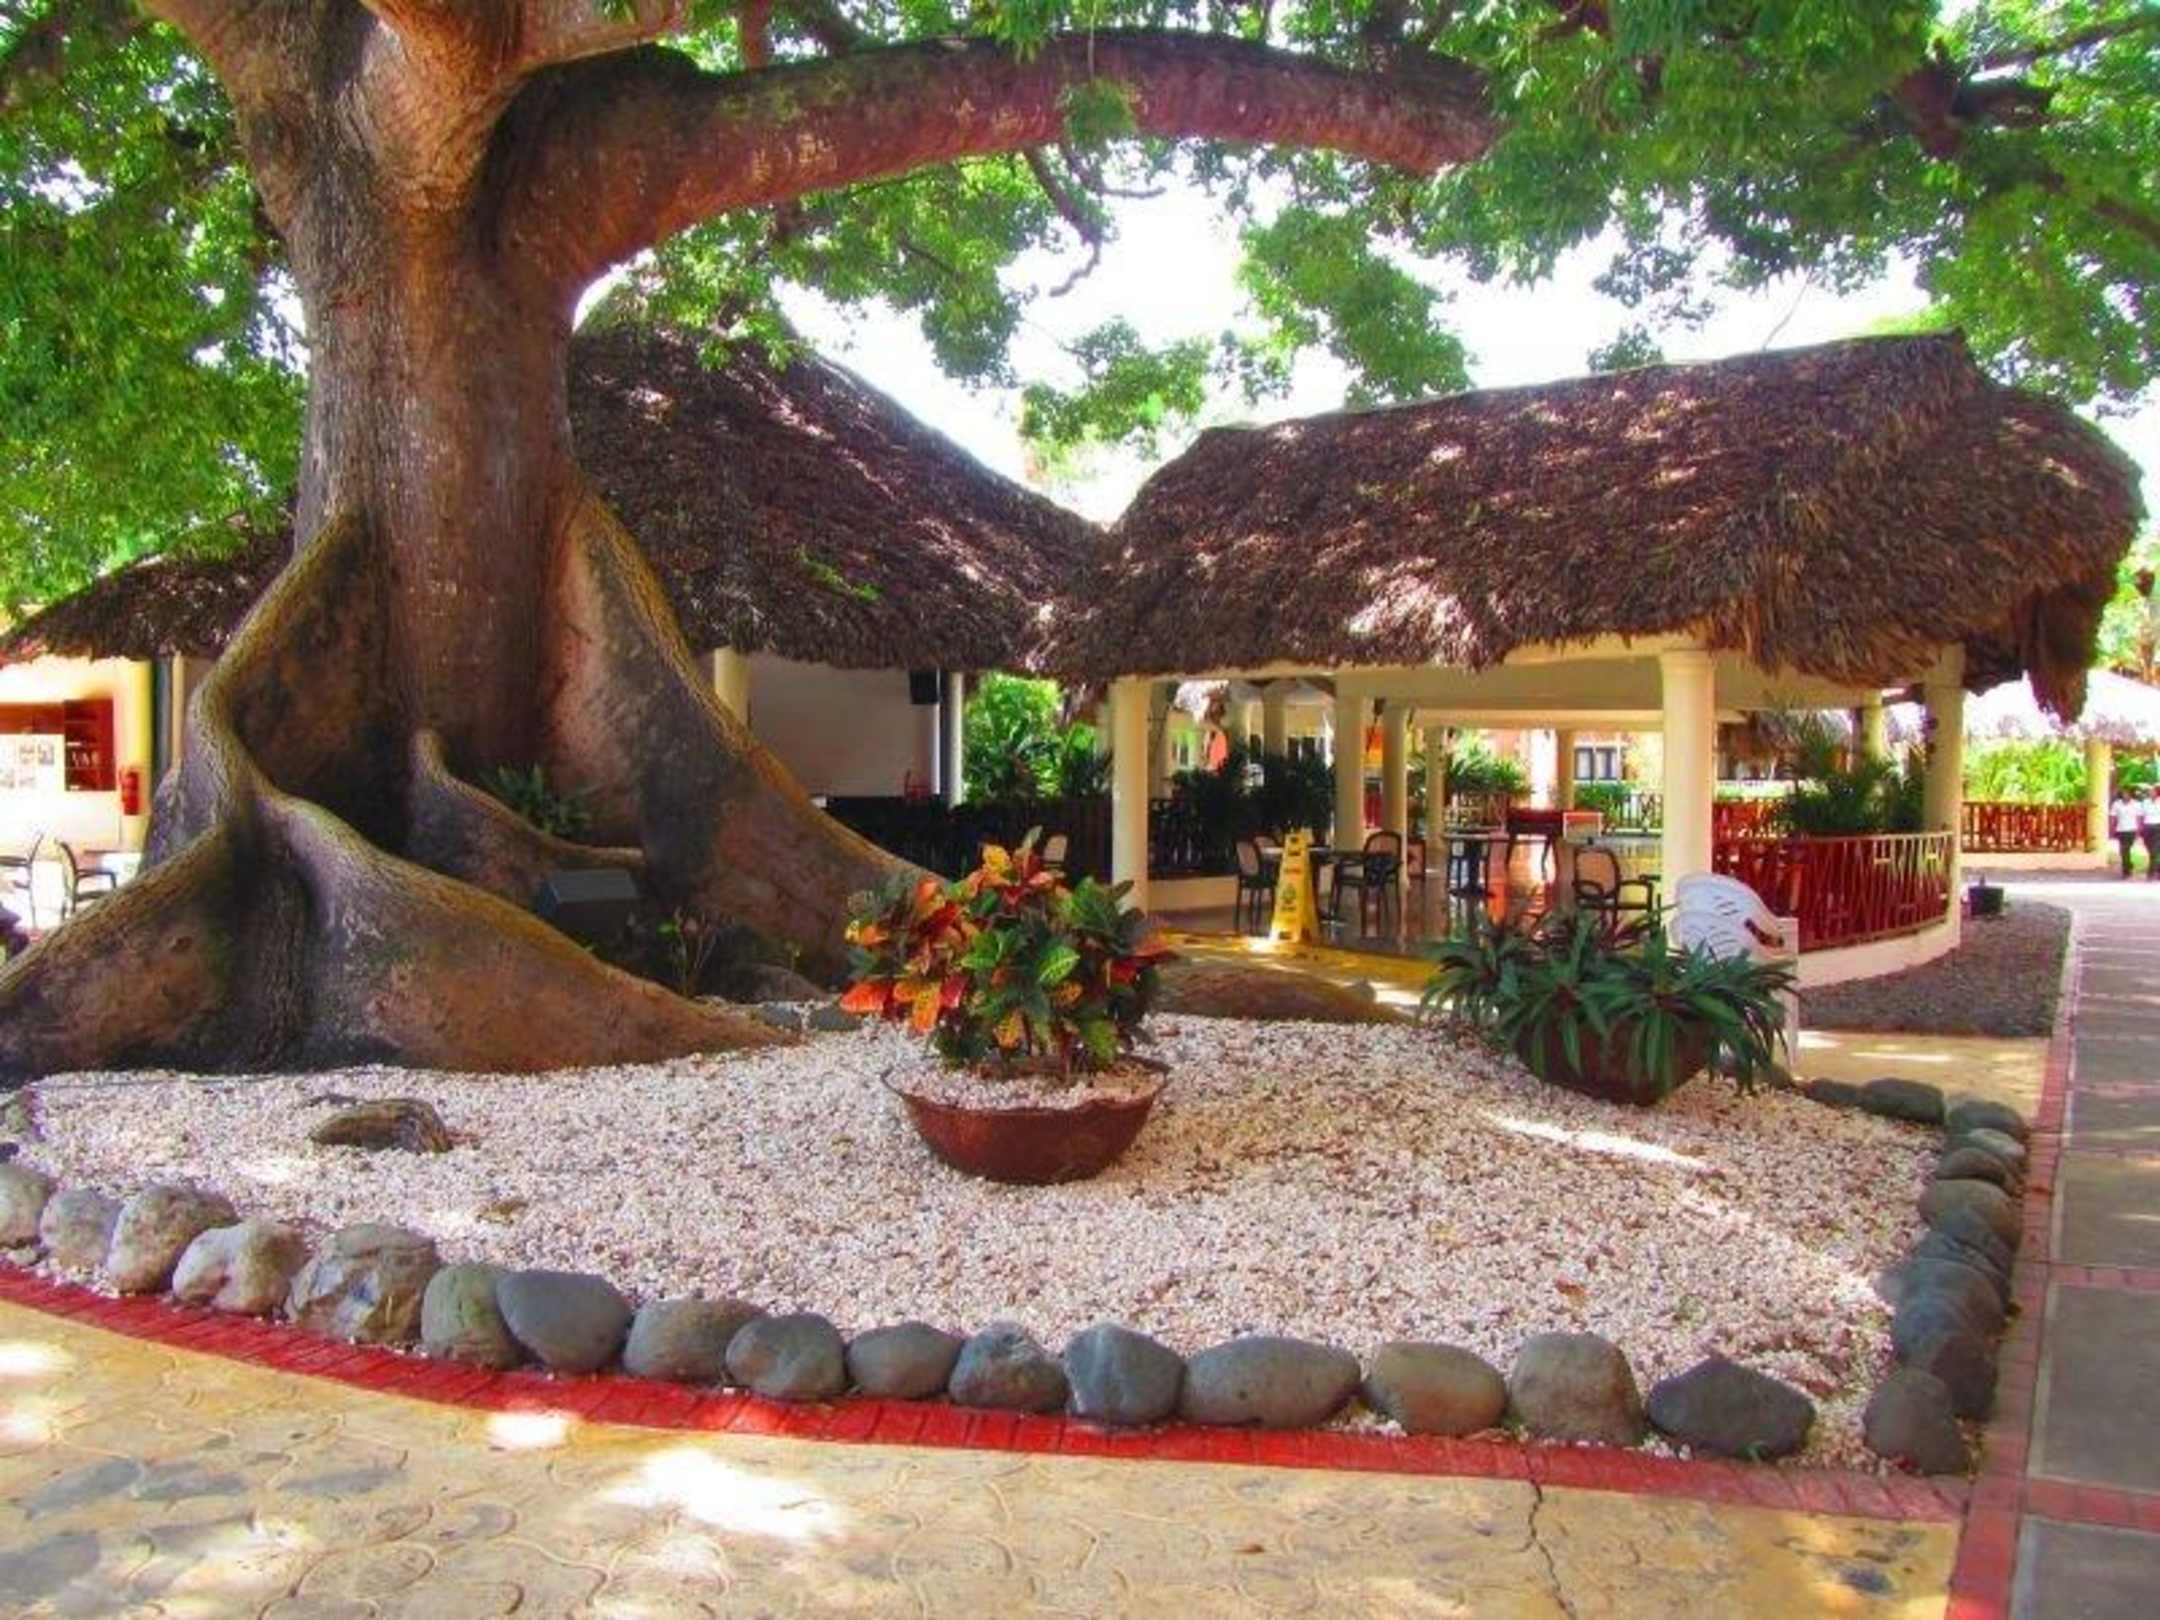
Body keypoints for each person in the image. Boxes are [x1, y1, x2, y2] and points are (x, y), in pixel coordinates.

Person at [2112, 783, 2143, 877]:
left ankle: (2127, 869)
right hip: (2121, 830)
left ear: (2131, 794)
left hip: (2132, 830)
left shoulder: (2136, 804)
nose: (2125, 795)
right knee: (2123, 850)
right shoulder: (2116, 804)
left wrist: (2138, 831)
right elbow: (2113, 817)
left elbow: (2139, 818)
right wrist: (2112, 828)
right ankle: (2127, 867)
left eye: (2127, 793)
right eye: (2123, 793)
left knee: (2126, 849)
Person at [2143, 786, 2160, 882]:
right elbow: (2142, 815)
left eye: (2152, 791)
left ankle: (2151, 873)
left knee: (2154, 850)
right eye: (2150, 791)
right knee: (2150, 848)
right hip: (2147, 826)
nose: (2150, 792)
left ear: (2157, 793)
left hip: (2158, 826)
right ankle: (2157, 868)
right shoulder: (2145, 802)